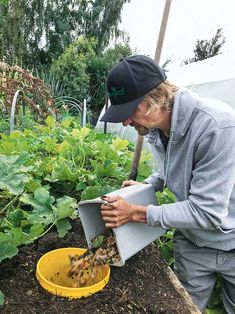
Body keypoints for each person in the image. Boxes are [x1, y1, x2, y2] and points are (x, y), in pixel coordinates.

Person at [99, 55, 235, 313]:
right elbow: (167, 171)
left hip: (233, 242)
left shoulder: (218, 127)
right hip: (194, 244)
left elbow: (207, 211)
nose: (125, 122)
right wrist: (144, 187)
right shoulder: (156, 130)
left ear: (153, 100)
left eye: (129, 112)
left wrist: (136, 213)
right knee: (183, 307)